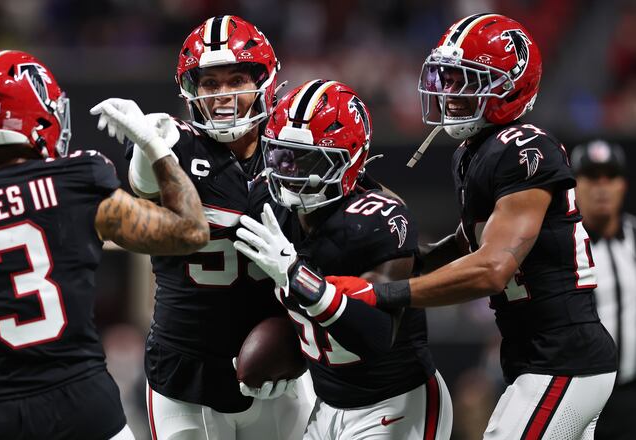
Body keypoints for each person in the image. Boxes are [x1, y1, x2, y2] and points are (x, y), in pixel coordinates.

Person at [236, 13, 618, 440]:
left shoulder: (522, 148)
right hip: (536, 355)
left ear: (512, 84)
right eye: (447, 78)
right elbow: (470, 240)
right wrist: (420, 259)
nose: (450, 93)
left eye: (466, 80)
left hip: (563, 356)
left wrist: (384, 292)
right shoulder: (475, 153)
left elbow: (492, 268)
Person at [0, 50, 208, 440]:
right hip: (91, 415)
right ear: (37, 112)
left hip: (3, 422)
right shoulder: (77, 186)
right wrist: (156, 149)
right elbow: (192, 232)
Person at [91, 15, 312, 440]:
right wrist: (148, 145)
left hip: (278, 369)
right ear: (192, 92)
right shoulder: (175, 145)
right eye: (210, 84)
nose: (224, 95)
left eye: (235, 80)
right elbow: (145, 182)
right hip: (186, 376)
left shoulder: (294, 148)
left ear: (264, 81)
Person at [234, 79, 452, 439]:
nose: (291, 174)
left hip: (394, 403)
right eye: (282, 156)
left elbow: (378, 334)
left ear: (350, 161)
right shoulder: (268, 202)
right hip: (326, 402)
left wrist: (296, 276)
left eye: (308, 159)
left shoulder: (379, 220)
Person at [571, 140, 635, 440]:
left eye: (610, 177)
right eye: (592, 177)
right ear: (575, 186)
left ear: (623, 185)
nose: (602, 187)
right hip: (575, 396)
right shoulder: (561, 246)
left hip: (630, 394)